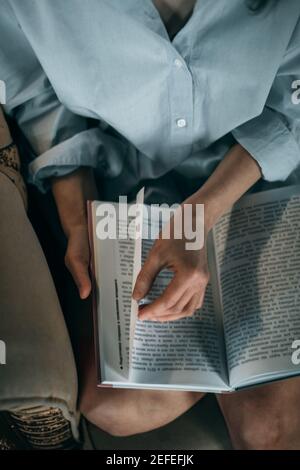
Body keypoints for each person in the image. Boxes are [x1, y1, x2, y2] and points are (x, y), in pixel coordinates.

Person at [0, 0, 300, 449]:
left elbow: (291, 105)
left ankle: (238, 364)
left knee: (270, 430)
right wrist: (77, 218)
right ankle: (221, 357)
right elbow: (33, 92)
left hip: (263, 181)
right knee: (113, 407)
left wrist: (198, 218)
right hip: (129, 195)